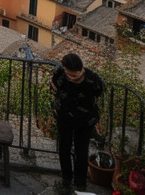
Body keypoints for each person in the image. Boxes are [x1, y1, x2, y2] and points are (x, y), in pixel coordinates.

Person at [51, 52, 105, 192]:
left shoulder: (93, 80)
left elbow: (99, 93)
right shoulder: (60, 74)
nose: (75, 78)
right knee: (64, 148)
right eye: (71, 75)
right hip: (65, 117)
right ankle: (66, 179)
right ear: (65, 69)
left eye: (77, 75)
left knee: (81, 151)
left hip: (85, 120)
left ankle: (80, 182)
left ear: (82, 69)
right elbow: (54, 85)